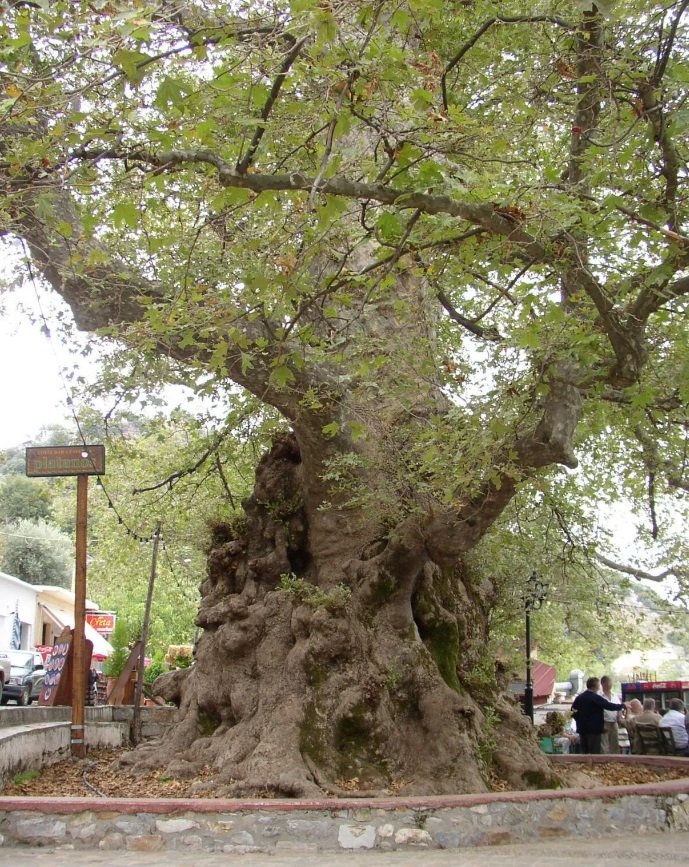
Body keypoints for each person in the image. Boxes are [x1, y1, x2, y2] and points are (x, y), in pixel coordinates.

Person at [571, 676, 627, 754]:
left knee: (584, 751)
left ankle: (585, 765)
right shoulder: (596, 698)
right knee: (595, 752)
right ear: (595, 686)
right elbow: (608, 706)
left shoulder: (579, 698)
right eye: (598, 685)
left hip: (582, 729)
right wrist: (623, 706)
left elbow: (573, 712)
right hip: (594, 730)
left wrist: (580, 721)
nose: (599, 686)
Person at [599, 675, 623, 753]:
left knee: (615, 743)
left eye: (611, 682)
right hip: (604, 722)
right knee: (604, 744)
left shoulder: (615, 695)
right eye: (608, 682)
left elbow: (619, 706)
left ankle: (615, 759)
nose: (610, 684)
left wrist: (619, 716)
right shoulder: (599, 696)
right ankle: (605, 760)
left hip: (614, 722)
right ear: (603, 683)